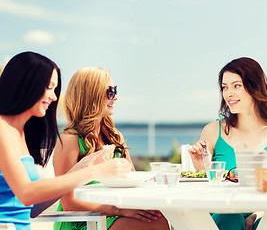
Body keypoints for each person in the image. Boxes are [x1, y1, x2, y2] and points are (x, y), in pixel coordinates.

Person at [0, 52, 132, 230]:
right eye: (49, 87)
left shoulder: (19, 133)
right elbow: (26, 193)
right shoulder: (2, 129)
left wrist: (81, 167)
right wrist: (95, 171)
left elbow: (30, 209)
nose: (54, 97)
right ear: (26, 85)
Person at [52, 67, 170, 230]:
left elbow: (132, 181)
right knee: (155, 224)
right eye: (111, 91)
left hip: (112, 215)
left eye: (115, 90)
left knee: (158, 219)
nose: (116, 97)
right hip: (81, 221)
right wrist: (119, 209)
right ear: (91, 94)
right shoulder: (69, 140)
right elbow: (68, 203)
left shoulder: (115, 137)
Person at [188, 57, 267, 230]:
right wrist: (202, 168)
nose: (228, 93)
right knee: (230, 218)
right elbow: (206, 195)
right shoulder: (212, 131)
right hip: (222, 215)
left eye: (236, 85)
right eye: (224, 87)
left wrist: (259, 213)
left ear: (255, 87)